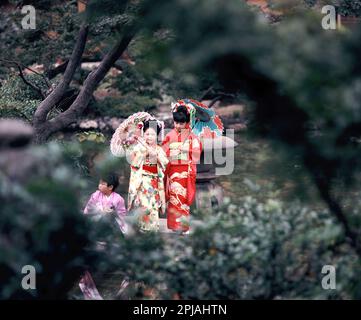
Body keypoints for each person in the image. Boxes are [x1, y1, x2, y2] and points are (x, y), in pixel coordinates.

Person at [162, 103, 202, 234]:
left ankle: (184, 227)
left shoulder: (192, 136)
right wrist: (171, 153)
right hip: (173, 171)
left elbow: (197, 151)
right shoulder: (169, 135)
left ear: (187, 122)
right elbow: (163, 150)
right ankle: (174, 226)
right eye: (176, 123)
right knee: (174, 199)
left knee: (183, 200)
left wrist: (187, 148)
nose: (178, 126)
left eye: (181, 123)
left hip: (185, 171)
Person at [128, 120, 169, 232]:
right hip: (143, 181)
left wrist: (157, 157)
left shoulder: (159, 149)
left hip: (155, 181)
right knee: (144, 205)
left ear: (157, 136)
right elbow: (134, 164)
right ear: (143, 134)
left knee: (154, 206)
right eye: (147, 134)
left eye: (152, 134)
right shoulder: (138, 148)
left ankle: (153, 229)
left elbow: (165, 164)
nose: (149, 137)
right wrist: (143, 154)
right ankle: (144, 229)